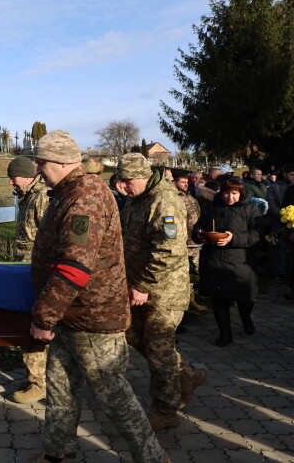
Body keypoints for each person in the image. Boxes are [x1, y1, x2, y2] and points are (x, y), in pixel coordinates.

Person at [26, 132, 170, 463]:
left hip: (92, 318)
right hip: (70, 314)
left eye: (41, 162)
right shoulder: (68, 192)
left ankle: (153, 458)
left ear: (62, 162)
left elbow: (75, 266)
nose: (38, 169)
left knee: (112, 394)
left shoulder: (85, 198)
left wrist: (43, 317)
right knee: (60, 387)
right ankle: (57, 452)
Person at [118, 153, 206, 432]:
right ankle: (187, 374)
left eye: (127, 181)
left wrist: (143, 285)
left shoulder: (164, 200)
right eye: (120, 181)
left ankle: (165, 410)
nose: (122, 187)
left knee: (159, 350)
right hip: (138, 286)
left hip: (164, 290)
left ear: (144, 177)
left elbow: (168, 251)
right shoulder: (137, 199)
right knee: (132, 335)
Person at [194, 178, 262, 346]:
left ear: (240, 194)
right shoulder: (211, 206)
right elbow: (198, 226)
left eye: (234, 193)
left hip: (240, 261)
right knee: (218, 299)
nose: (230, 197)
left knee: (245, 297)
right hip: (214, 260)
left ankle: (246, 318)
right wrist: (199, 234)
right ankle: (225, 332)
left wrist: (234, 237)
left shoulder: (250, 208)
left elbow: (257, 233)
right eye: (226, 193)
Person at [7, 156, 51, 404]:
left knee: (36, 327)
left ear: (25, 176)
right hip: (27, 271)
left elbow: (49, 237)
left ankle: (39, 383)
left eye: (13, 177)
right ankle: (37, 378)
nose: (11, 182)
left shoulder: (41, 197)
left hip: (38, 273)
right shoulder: (29, 196)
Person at [171, 171, 206, 313]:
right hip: (183, 242)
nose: (186, 184)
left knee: (193, 273)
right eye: (183, 182)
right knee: (182, 274)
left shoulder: (190, 197)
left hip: (195, 241)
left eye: (187, 182)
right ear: (174, 182)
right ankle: (182, 304)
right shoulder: (173, 198)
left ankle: (191, 301)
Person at [266, 164, 294, 284]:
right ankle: (280, 272)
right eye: (292, 174)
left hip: (292, 222)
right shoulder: (274, 187)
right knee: (281, 247)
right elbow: (271, 204)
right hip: (279, 222)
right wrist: (284, 216)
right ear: (285, 174)